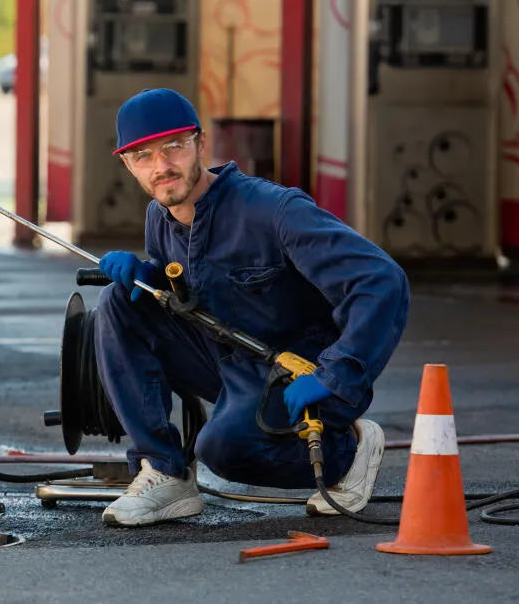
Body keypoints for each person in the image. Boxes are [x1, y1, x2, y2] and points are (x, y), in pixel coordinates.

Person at [94, 88, 410, 528]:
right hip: (231, 366)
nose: (161, 166)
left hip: (299, 373)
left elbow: (381, 281)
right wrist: (148, 277)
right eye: (143, 155)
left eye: (173, 147)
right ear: (128, 165)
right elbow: (190, 298)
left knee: (223, 450)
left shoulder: (273, 210)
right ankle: (165, 472)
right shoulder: (159, 218)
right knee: (118, 302)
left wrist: (337, 375)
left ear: (200, 143)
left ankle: (347, 452)